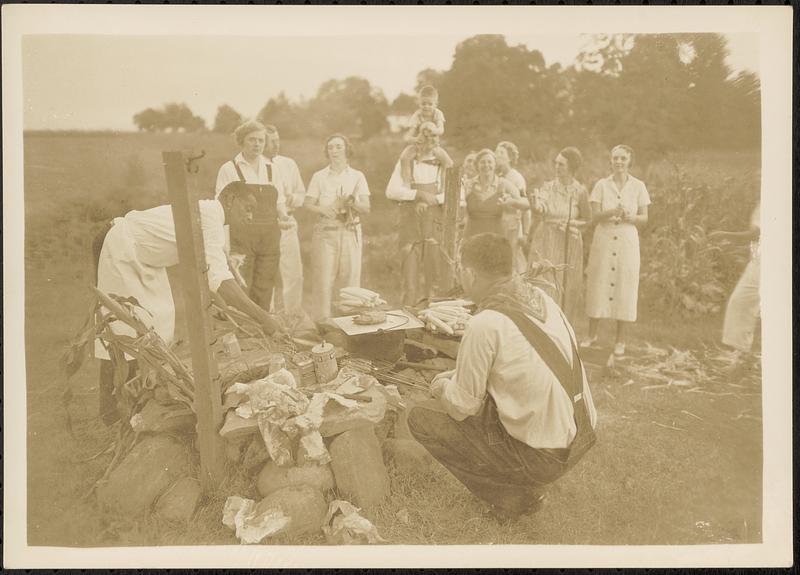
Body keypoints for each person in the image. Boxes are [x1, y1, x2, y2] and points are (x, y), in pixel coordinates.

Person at [408, 233, 597, 520]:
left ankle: (512, 500)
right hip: (581, 434)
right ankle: (525, 481)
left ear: (470, 274)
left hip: (545, 456)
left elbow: (462, 407)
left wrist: (442, 386)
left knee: (421, 419)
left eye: (460, 268)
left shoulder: (484, 324)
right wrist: (457, 375)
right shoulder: (543, 299)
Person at [93, 185, 285, 424]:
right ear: (230, 199)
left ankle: (139, 398)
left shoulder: (212, 218)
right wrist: (264, 318)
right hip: (120, 247)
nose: (249, 217)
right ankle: (110, 412)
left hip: (144, 259)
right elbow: (221, 281)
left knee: (158, 321)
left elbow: (211, 273)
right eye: (247, 209)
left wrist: (225, 305)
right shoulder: (211, 215)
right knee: (122, 327)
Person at [583, 145, 651, 356]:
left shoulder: (638, 186)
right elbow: (594, 217)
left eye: (623, 158)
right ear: (610, 161)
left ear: (630, 160)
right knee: (599, 283)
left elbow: (645, 218)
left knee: (625, 285)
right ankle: (591, 335)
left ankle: (620, 340)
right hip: (604, 240)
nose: (618, 162)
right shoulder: (602, 185)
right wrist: (611, 211)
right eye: (615, 158)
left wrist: (632, 218)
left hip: (626, 240)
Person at [216, 120, 290, 311]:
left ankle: (262, 336)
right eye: (252, 140)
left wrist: (284, 217)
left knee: (265, 286)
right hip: (241, 238)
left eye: (261, 140)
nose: (257, 144)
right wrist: (225, 244)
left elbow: (279, 201)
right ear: (241, 141)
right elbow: (221, 208)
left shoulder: (272, 169)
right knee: (242, 288)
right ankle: (244, 335)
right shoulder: (229, 169)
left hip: (269, 238)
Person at [303, 134, 371, 320]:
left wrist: (351, 202)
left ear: (347, 150)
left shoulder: (357, 176)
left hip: (350, 231)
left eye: (338, 147)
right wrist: (323, 209)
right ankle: (322, 327)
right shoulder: (319, 176)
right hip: (326, 232)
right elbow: (307, 204)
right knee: (323, 282)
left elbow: (366, 207)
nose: (334, 151)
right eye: (330, 147)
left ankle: (349, 325)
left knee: (350, 283)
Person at [386, 124, 452, 305]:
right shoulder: (406, 163)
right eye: (426, 137)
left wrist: (434, 200)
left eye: (435, 138)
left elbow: (457, 194)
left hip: (435, 226)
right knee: (410, 279)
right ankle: (407, 324)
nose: (431, 142)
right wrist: (417, 195)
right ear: (418, 140)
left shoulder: (443, 166)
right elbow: (391, 191)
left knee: (435, 279)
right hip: (410, 227)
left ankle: (434, 322)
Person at [528, 147, 590, 325]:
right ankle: (540, 323)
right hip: (546, 239)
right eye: (555, 163)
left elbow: (588, 219)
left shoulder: (580, 191)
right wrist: (535, 205)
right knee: (543, 280)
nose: (556, 167)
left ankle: (562, 326)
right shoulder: (547, 187)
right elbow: (541, 208)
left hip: (569, 241)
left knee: (566, 284)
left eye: (561, 164)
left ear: (571, 167)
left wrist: (572, 224)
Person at [260, 125, 306, 314]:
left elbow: (301, 193)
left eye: (278, 140)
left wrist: (293, 198)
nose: (276, 145)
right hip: (265, 225)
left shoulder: (288, 164)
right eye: (272, 142)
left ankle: (293, 314)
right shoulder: (256, 165)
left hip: (288, 223)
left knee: (293, 273)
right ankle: (267, 315)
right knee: (265, 273)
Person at [710, 202, 760, 355]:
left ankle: (741, 353)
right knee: (740, 303)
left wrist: (724, 235)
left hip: (768, 261)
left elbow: (757, 233)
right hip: (758, 260)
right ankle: (740, 353)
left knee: (741, 302)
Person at [463, 149, 525, 239]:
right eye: (482, 162)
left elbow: (526, 204)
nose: (486, 165)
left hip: (496, 236)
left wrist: (512, 202)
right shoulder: (468, 184)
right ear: (477, 165)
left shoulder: (503, 184)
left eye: (490, 162)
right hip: (471, 235)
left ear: (495, 165)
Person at [399, 85, 450, 186]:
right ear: (419, 103)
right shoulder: (417, 116)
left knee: (448, 163)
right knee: (404, 158)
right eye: (423, 103)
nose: (426, 106)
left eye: (430, 104)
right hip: (419, 144)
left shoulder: (438, 114)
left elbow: (441, 129)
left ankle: (443, 187)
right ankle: (406, 183)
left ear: (435, 104)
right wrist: (415, 139)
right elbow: (408, 136)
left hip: (433, 145)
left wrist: (433, 130)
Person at [495, 141, 529, 273]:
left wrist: (525, 233)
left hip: (513, 224)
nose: (497, 155)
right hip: (498, 223)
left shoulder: (517, 178)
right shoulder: (496, 176)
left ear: (509, 158)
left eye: (501, 153)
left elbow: (526, 206)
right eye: (496, 152)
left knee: (514, 259)